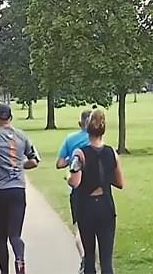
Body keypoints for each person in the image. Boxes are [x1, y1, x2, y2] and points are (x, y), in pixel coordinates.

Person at [0, 103, 40, 274]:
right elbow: (34, 161)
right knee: (15, 235)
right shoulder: (22, 136)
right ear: (10, 118)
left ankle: (5, 272)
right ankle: (20, 261)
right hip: (18, 190)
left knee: (1, 238)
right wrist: (19, 165)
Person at [68, 109, 125, 274]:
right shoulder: (112, 153)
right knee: (106, 261)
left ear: (87, 128)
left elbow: (75, 182)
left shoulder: (80, 154)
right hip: (106, 207)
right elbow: (120, 183)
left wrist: (69, 176)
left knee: (90, 258)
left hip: (87, 208)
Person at [56, 110, 92, 273]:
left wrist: (71, 159)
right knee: (96, 232)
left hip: (77, 191)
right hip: (97, 191)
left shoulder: (71, 139)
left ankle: (85, 258)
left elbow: (60, 163)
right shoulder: (97, 142)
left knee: (80, 229)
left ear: (80, 123)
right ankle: (91, 263)